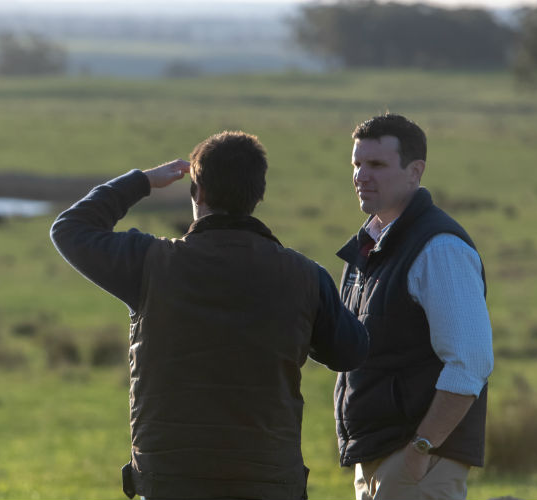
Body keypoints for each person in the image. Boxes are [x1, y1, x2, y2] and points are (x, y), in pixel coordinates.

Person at [50, 130, 369, 500]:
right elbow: (350, 352)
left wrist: (142, 182)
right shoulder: (306, 276)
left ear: (197, 193)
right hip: (268, 480)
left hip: (171, 479)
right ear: (258, 195)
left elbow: (70, 229)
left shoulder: (149, 263)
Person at [332, 113, 494, 500]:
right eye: (356, 164)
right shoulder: (369, 248)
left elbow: (470, 362)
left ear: (414, 171)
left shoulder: (440, 249)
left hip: (417, 461)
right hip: (376, 457)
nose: (360, 176)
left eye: (376, 165)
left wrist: (421, 448)